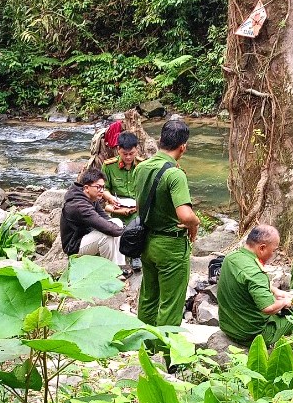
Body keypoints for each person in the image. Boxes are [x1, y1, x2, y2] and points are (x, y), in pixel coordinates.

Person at [133, 119, 200, 327]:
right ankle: (165, 355)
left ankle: (145, 348)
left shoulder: (141, 167)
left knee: (148, 298)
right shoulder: (175, 174)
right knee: (170, 304)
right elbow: (185, 215)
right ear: (183, 147)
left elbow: (139, 203)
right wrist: (195, 223)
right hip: (171, 246)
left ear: (160, 140)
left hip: (146, 242)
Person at [216, 225, 293, 346]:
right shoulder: (256, 272)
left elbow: (245, 281)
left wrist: (275, 291)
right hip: (251, 334)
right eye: (273, 250)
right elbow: (268, 308)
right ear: (262, 248)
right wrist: (285, 302)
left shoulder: (231, 257)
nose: (273, 254)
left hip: (229, 326)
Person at [59, 168, 130, 277]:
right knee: (106, 235)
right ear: (86, 188)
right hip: (75, 247)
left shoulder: (91, 198)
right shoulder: (78, 205)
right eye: (98, 187)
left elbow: (105, 218)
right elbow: (105, 227)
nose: (102, 190)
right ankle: (110, 273)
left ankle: (118, 266)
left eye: (103, 187)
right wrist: (128, 233)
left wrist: (121, 228)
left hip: (88, 237)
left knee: (116, 222)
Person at [101, 131, 143, 272]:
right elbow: (104, 189)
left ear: (137, 149)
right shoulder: (109, 166)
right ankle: (120, 261)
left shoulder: (143, 166)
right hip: (117, 207)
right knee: (117, 227)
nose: (128, 157)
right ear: (118, 150)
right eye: (125, 154)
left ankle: (136, 256)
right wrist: (110, 198)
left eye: (131, 153)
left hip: (138, 208)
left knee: (138, 225)